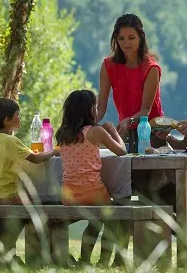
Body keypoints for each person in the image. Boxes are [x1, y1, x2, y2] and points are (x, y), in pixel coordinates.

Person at [0, 98, 60, 260]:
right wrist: (54, 151)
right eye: (18, 115)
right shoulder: (12, 141)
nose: (20, 118)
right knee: (35, 208)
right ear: (7, 120)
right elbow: (36, 158)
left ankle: (10, 251)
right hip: (8, 197)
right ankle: (35, 252)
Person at [55, 90, 127, 266]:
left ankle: (86, 260)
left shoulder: (62, 134)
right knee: (114, 222)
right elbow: (121, 151)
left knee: (94, 221)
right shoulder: (96, 131)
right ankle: (103, 261)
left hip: (69, 195)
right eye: (95, 106)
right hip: (93, 194)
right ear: (89, 110)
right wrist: (112, 130)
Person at [97, 13, 164, 151]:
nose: (126, 43)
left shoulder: (151, 68)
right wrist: (85, 126)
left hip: (153, 134)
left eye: (131, 38)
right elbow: (101, 104)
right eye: (121, 38)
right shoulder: (108, 66)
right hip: (126, 133)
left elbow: (145, 110)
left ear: (141, 38)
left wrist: (129, 120)